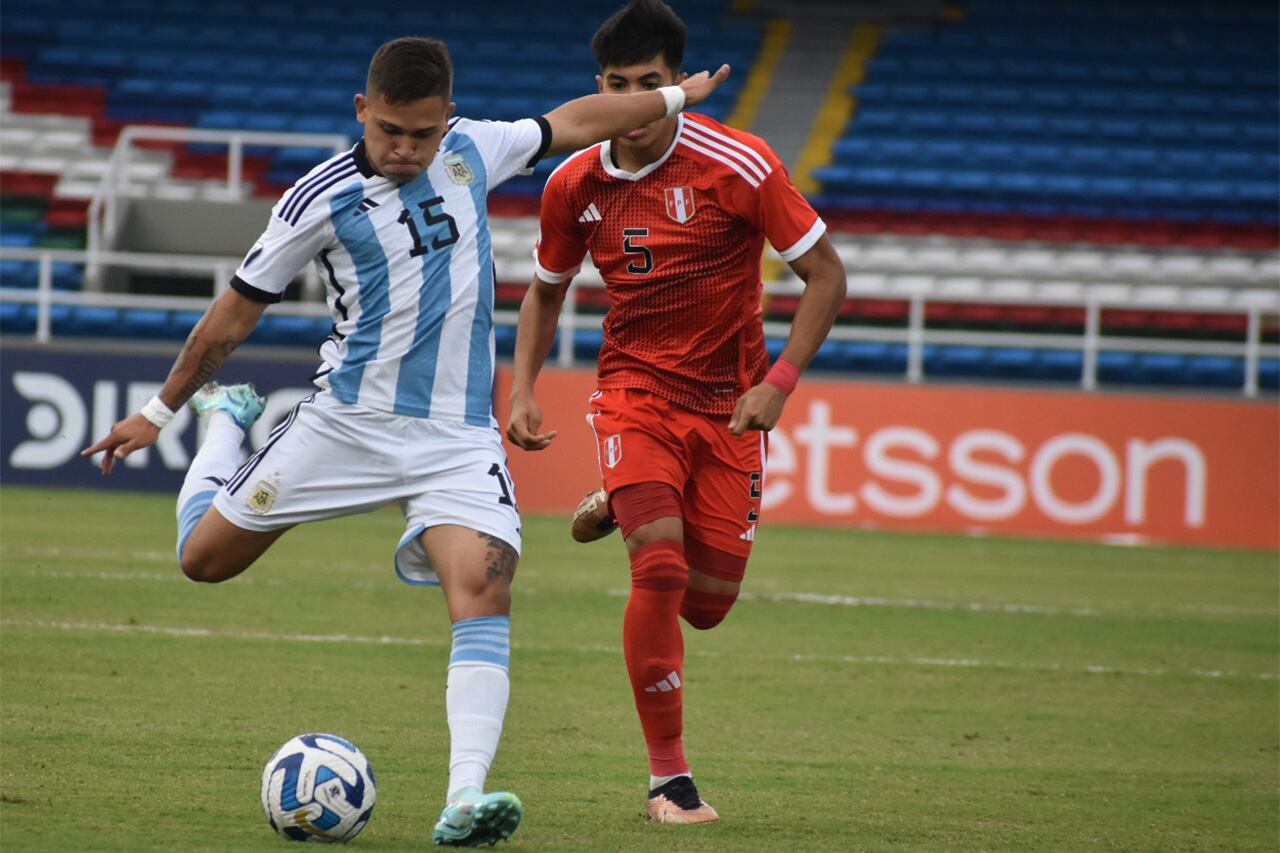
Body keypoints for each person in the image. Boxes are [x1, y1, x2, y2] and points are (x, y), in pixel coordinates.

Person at [81, 35, 729, 847]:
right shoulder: (315, 199)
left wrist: (674, 100)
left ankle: (465, 798)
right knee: (202, 561)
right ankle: (226, 423)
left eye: (421, 134)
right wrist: (161, 410)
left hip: (456, 438)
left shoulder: (474, 151)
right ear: (363, 110)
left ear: (446, 120)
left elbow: (576, 119)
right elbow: (236, 311)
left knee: (486, 587)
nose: (403, 149)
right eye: (389, 130)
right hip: (344, 424)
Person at [505, 0, 847, 825]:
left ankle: (621, 502)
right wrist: (521, 388)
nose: (631, 101)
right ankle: (670, 781)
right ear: (600, 88)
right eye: (617, 86)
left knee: (706, 603)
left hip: (731, 410)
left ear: (676, 84)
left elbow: (828, 277)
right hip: (636, 396)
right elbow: (545, 294)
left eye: (649, 83)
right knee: (656, 568)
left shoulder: (740, 164)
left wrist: (780, 382)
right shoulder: (574, 183)